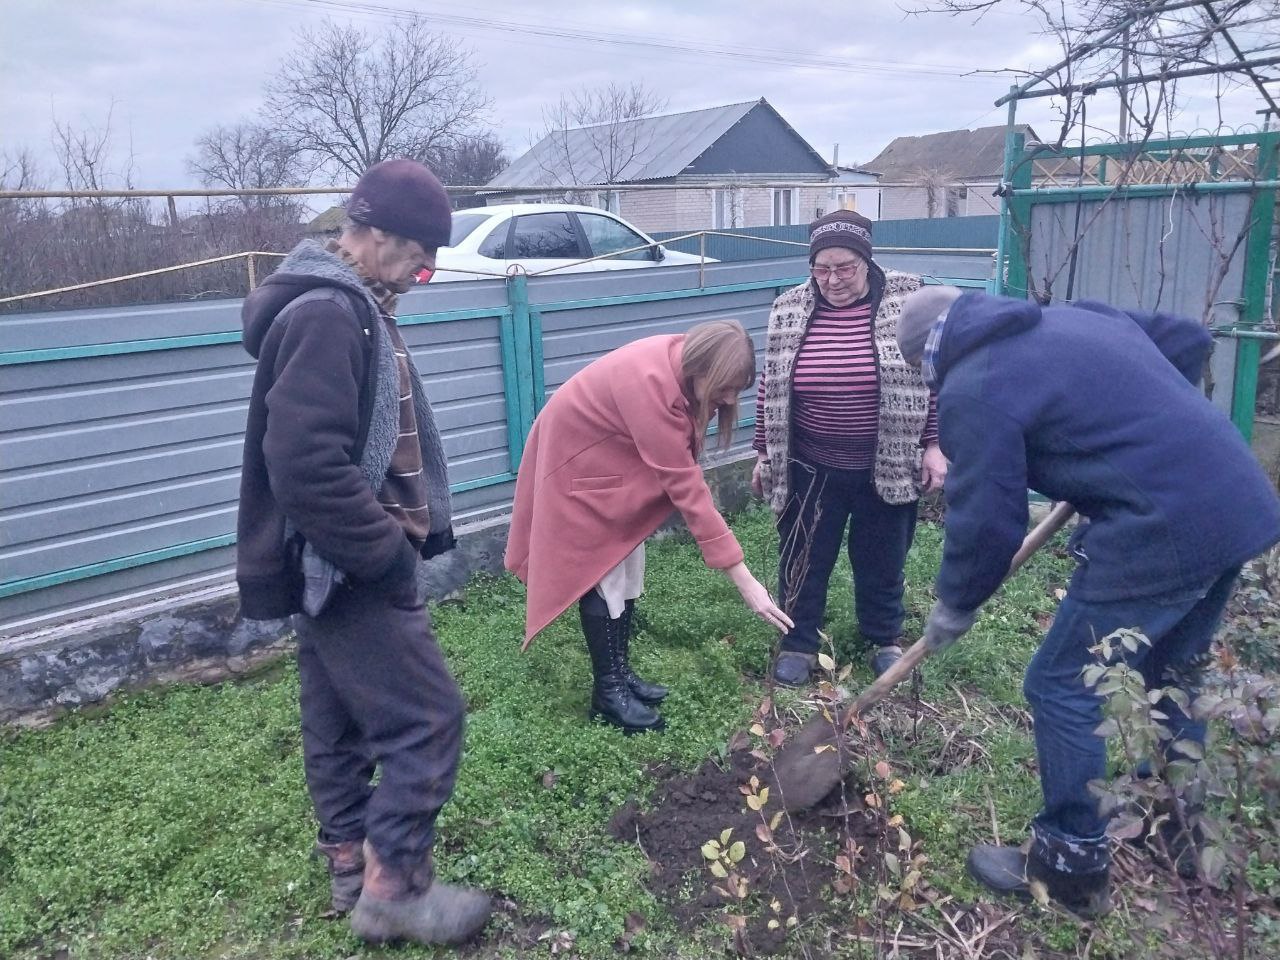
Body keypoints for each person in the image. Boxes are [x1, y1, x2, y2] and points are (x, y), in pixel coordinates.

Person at [895, 285, 1280, 918]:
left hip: (1161, 531)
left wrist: (955, 603)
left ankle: (1070, 868)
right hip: (1235, 502)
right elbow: (1188, 337)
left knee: (1061, 685)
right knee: (1172, 673)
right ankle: (1181, 834)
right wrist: (1134, 446)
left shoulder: (974, 386)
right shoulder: (1074, 317)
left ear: (928, 357)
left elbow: (988, 518)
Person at [235, 159, 491, 946]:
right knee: (429, 718)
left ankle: (349, 864)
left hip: (328, 561)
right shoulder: (332, 314)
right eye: (420, 252)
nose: (429, 270)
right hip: (347, 563)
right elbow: (306, 461)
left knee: (338, 718)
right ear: (374, 234)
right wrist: (384, 554)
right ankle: (394, 889)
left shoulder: (351, 305)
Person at [505, 319, 794, 734]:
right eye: (726, 387)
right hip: (579, 471)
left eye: (737, 389)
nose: (730, 398)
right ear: (703, 369)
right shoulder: (647, 383)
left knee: (626, 571)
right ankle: (608, 693)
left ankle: (621, 675)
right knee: (602, 576)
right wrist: (744, 580)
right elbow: (685, 485)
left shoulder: (681, 363)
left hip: (615, 468)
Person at [752, 210, 945, 686]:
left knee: (882, 556)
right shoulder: (789, 307)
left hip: (888, 458)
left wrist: (935, 443)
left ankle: (884, 638)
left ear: (866, 260)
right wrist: (762, 451)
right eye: (821, 269)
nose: (832, 280)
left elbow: (935, 373)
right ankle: (798, 641)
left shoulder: (908, 300)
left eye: (845, 268)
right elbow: (770, 383)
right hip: (810, 463)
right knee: (802, 554)